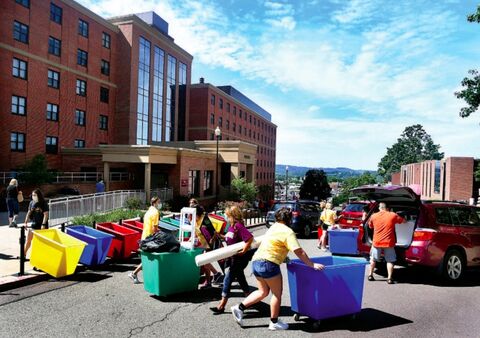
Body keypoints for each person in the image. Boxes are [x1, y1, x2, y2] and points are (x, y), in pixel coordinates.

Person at [231, 207, 324, 331]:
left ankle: (239, 308)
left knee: (262, 291)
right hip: (269, 263)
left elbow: (275, 245)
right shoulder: (288, 231)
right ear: (289, 218)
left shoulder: (273, 227)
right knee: (276, 294)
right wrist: (312, 265)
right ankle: (274, 322)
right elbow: (299, 251)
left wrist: (283, 257)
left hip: (256, 261)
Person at [210, 205, 254, 314]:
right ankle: (250, 298)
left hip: (240, 258)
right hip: (234, 258)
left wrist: (244, 250)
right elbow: (229, 238)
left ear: (232, 215)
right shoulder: (232, 226)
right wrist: (219, 235)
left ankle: (221, 305)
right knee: (240, 277)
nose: (226, 217)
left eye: (227, 215)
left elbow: (249, 238)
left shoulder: (238, 226)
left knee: (228, 278)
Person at [367, 202, 406, 284]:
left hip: (377, 242)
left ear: (379, 208)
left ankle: (370, 275)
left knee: (373, 259)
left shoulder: (373, 216)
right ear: (387, 208)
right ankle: (389, 278)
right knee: (390, 261)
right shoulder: (393, 215)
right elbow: (403, 221)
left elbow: (370, 226)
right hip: (389, 243)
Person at [128, 196, 161, 284]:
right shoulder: (155, 212)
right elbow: (155, 227)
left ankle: (136, 274)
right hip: (150, 238)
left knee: (148, 257)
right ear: (155, 203)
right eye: (159, 202)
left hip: (145, 237)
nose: (159, 204)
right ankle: (134, 273)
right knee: (150, 258)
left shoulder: (148, 212)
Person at [195, 204, 222, 289]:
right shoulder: (196, 220)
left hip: (210, 243)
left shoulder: (205, 219)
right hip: (204, 244)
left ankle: (216, 273)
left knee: (205, 261)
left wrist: (211, 242)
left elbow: (214, 231)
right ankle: (209, 282)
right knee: (205, 262)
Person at [24, 189, 49, 257]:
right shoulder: (31, 202)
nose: (33, 196)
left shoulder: (43, 203)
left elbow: (46, 214)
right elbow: (29, 212)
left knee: (40, 242)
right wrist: (25, 221)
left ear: (38, 195)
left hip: (42, 225)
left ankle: (39, 257)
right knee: (28, 240)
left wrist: (43, 224)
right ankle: (24, 254)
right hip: (34, 224)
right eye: (32, 195)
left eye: (35, 195)